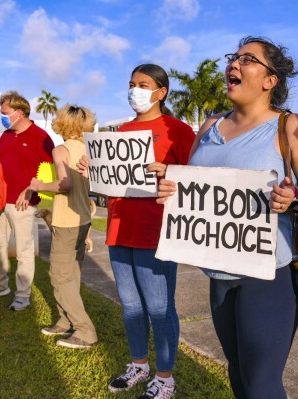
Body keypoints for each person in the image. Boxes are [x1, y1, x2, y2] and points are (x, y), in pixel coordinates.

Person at [157, 36, 298, 398]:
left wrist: (297, 197)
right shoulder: (208, 128)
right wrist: (170, 191)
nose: (234, 65)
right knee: (238, 373)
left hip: (270, 275)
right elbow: (193, 185)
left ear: (271, 80)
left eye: (248, 59)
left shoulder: (289, 127)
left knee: (261, 384)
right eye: (233, 58)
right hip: (218, 274)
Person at [80, 64, 195, 399]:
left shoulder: (177, 130)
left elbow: (197, 179)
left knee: (160, 308)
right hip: (118, 228)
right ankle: (138, 364)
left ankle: (165, 376)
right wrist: (93, 169)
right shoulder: (121, 131)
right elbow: (110, 182)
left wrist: (170, 171)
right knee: (130, 306)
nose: (135, 90)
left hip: (155, 232)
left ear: (161, 92)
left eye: (143, 84)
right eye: (131, 84)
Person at [28, 104, 98, 349]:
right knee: (73, 273)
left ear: (62, 124)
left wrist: (38, 186)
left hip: (67, 220)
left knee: (59, 275)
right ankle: (64, 320)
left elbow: (64, 184)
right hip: (83, 220)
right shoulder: (89, 151)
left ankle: (84, 330)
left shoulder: (61, 150)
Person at [0, 91, 54, 310]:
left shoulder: (41, 136)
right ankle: (0, 287)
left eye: (5, 113)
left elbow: (51, 172)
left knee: (23, 251)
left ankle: (22, 295)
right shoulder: (6, 135)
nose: (2, 117)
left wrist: (29, 189)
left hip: (23, 204)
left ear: (19, 113)